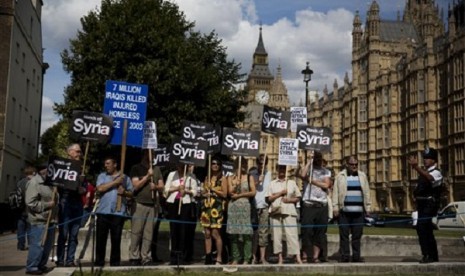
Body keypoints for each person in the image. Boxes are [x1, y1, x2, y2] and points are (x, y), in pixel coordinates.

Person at [94, 157, 133, 267]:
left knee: (116, 239)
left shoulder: (125, 178)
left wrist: (124, 192)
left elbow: (131, 193)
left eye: (108, 163)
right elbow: (100, 189)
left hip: (118, 212)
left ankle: (115, 263)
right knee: (101, 239)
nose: (106, 166)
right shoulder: (102, 176)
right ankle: (99, 263)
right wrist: (115, 182)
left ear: (115, 165)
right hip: (103, 211)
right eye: (105, 164)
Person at [332, 155, 371, 263]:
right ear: (347, 165)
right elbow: (335, 193)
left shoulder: (362, 176)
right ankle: (345, 256)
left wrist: (368, 207)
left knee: (357, 236)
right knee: (344, 236)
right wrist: (335, 207)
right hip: (344, 211)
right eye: (352, 164)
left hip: (359, 212)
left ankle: (356, 257)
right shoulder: (340, 176)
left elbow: (367, 192)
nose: (354, 166)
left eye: (356, 164)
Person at [129, 149, 164, 266]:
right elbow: (135, 186)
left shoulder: (157, 169)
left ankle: (146, 257)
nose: (153, 156)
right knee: (136, 231)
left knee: (149, 233)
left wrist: (157, 187)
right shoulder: (136, 168)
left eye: (154, 154)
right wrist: (147, 176)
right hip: (139, 203)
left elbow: (162, 186)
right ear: (145, 154)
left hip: (153, 204)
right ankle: (134, 256)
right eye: (151, 154)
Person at [408, 148, 443, 263]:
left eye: (427, 158)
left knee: (423, 227)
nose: (425, 160)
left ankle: (428, 255)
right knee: (425, 230)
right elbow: (421, 186)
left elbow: (430, 178)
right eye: (424, 158)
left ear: (434, 160)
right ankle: (431, 255)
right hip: (422, 205)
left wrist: (416, 167)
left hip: (430, 204)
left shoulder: (437, 172)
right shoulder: (424, 172)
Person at [56, 143, 87, 267]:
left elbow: (85, 187)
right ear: (70, 152)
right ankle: (60, 260)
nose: (79, 154)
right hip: (65, 201)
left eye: (80, 152)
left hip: (77, 203)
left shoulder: (82, 168)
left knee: (74, 235)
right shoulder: (61, 166)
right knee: (63, 234)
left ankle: (70, 260)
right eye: (77, 151)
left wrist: (82, 189)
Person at [266, 164, 303, 264]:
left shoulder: (291, 182)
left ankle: (297, 257)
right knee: (276, 235)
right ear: (277, 169)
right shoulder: (272, 183)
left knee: (292, 234)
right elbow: (268, 198)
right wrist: (280, 193)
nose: (282, 170)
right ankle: (280, 258)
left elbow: (298, 197)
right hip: (276, 211)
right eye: (280, 168)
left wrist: (289, 200)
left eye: (283, 168)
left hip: (289, 210)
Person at [25, 164, 58, 275]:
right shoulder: (34, 183)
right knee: (37, 245)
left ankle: (41, 265)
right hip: (39, 220)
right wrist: (48, 204)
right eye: (45, 171)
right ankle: (32, 267)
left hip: (51, 220)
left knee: (47, 246)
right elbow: (30, 202)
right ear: (41, 172)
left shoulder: (51, 183)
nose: (47, 173)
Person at [164, 163, 198, 265]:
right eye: (180, 165)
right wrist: (176, 188)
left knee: (183, 230)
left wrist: (186, 191)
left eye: (184, 166)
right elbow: (165, 190)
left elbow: (195, 191)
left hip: (185, 204)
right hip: (173, 203)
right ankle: (173, 256)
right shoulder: (171, 174)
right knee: (174, 229)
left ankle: (182, 257)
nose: (181, 167)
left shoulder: (191, 176)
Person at [300, 151, 331, 263]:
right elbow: (302, 175)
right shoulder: (309, 169)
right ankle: (304, 255)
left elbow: (326, 185)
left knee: (320, 232)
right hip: (309, 204)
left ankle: (315, 256)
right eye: (316, 157)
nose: (317, 159)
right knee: (307, 231)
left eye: (319, 157)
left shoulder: (326, 171)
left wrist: (311, 181)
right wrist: (309, 161)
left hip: (321, 204)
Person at [226, 158, 256, 265]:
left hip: (245, 207)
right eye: (241, 163)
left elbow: (253, 192)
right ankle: (235, 257)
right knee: (233, 233)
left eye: (245, 163)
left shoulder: (249, 177)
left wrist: (240, 195)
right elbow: (230, 192)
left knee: (246, 233)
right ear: (236, 165)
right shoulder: (230, 177)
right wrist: (235, 184)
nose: (243, 165)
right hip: (233, 207)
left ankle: (247, 258)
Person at [200, 156, 228, 265]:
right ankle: (208, 256)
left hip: (217, 207)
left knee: (216, 234)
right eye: (213, 163)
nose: (215, 165)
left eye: (217, 164)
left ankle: (219, 257)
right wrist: (204, 193)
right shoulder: (207, 177)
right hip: (207, 207)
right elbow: (203, 191)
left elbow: (225, 194)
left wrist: (213, 190)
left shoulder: (223, 178)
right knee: (207, 233)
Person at [250, 154, 271, 264]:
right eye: (259, 163)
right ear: (257, 163)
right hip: (253, 206)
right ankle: (253, 257)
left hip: (264, 207)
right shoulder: (252, 174)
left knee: (263, 233)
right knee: (253, 233)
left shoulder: (270, 175)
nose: (261, 165)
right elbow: (249, 188)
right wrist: (258, 181)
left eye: (263, 164)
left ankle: (262, 257)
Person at [16, 166, 36, 251]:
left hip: (20, 209)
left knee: (20, 228)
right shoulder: (33, 183)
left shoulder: (20, 182)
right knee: (29, 228)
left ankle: (21, 245)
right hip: (30, 209)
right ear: (33, 173)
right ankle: (31, 245)